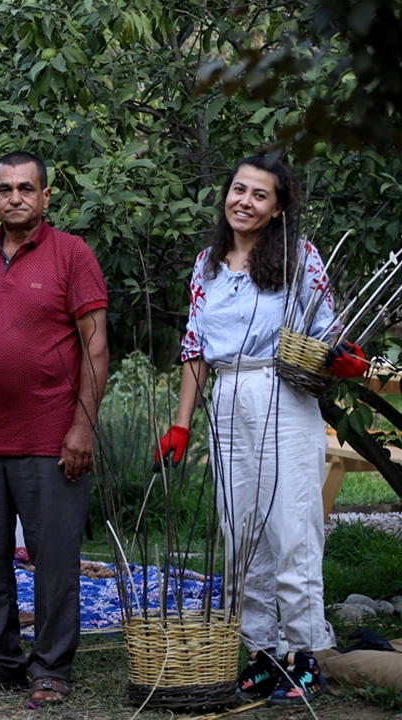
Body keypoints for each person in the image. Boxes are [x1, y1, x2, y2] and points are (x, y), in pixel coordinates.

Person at [155, 155, 364, 706]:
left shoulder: (299, 259)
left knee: (292, 525)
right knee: (240, 529)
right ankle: (261, 651)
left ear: (278, 209)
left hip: (284, 394)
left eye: (259, 195)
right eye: (238, 189)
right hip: (227, 398)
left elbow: (327, 328)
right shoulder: (207, 264)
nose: (244, 201)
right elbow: (195, 350)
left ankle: (303, 653)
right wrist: (181, 426)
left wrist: (341, 357)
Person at [0, 151, 108, 706]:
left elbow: (95, 346)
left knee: (54, 560)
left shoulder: (72, 255)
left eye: (26, 188)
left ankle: (51, 668)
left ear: (46, 196)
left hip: (51, 437)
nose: (15, 197)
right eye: (5, 188)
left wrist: (82, 427)